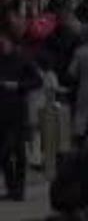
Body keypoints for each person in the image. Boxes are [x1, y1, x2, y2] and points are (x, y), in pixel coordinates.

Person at [0, 31, 42, 201]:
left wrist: (18, 85)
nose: (2, 46)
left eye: (4, 43)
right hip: (1, 110)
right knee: (3, 152)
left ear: (12, 43)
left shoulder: (23, 60)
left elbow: (37, 81)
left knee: (18, 151)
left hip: (17, 110)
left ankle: (19, 189)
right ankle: (11, 187)